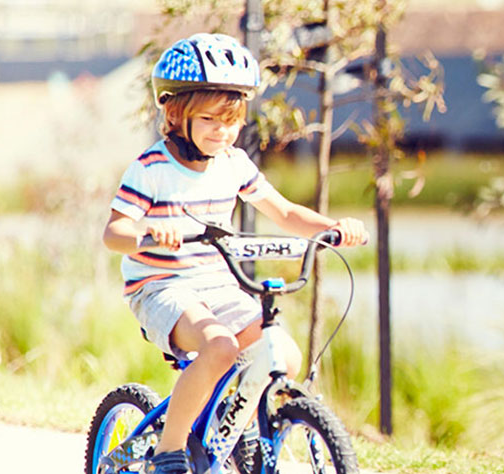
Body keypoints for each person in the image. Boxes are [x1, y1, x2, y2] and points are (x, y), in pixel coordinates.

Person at [101, 33, 368, 474]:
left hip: (219, 282)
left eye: (231, 120)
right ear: (174, 112)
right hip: (161, 286)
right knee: (220, 347)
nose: (221, 131)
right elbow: (115, 233)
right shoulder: (151, 168)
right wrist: (148, 231)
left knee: (283, 352)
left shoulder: (234, 163)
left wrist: (333, 228)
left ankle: (229, 430)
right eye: (208, 119)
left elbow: (283, 212)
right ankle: (170, 452)